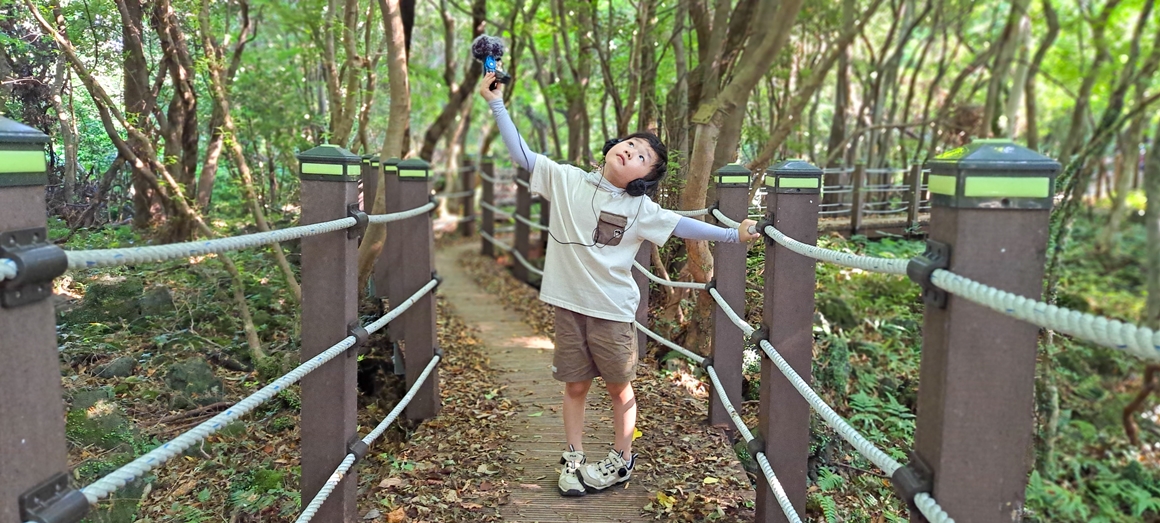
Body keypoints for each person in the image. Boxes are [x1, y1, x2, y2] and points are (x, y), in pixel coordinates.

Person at [479, 71, 760, 497]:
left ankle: (621, 459)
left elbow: (683, 225)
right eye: (629, 144)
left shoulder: (641, 208)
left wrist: (732, 234)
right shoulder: (568, 180)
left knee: (618, 388)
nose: (631, 151)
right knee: (574, 386)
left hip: (611, 310)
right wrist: (496, 103)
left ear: (644, 177)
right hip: (569, 306)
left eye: (642, 156)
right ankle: (572, 457)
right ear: (612, 148)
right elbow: (522, 153)